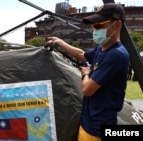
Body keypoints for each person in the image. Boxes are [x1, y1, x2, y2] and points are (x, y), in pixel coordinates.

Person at [45, 3, 129, 141]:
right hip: (88, 123)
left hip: (98, 130)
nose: (95, 30)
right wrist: (59, 42)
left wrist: (85, 73)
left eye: (99, 26)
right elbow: (82, 54)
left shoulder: (116, 54)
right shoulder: (102, 49)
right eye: (93, 26)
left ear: (117, 25)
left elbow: (87, 89)